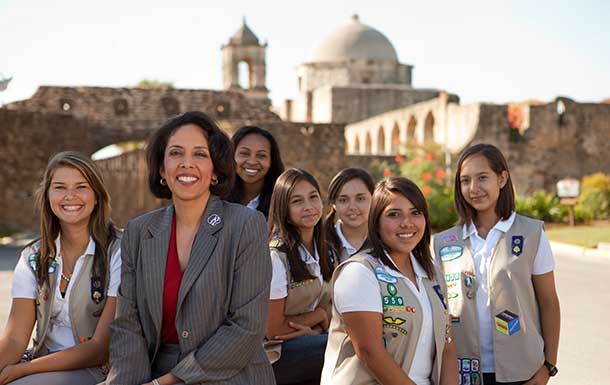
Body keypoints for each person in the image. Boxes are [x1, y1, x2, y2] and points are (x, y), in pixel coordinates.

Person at [104, 111, 274, 385]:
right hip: (154, 374)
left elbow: (247, 327)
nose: (186, 164)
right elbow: (128, 326)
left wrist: (169, 381)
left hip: (229, 374)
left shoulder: (246, 225)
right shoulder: (138, 231)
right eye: (175, 153)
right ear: (161, 168)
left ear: (216, 169)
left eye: (199, 154)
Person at [432, 143, 560, 385]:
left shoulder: (532, 233)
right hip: (461, 371)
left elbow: (549, 302)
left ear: (502, 178)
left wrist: (548, 367)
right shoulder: (442, 242)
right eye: (465, 180)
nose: (473, 188)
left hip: (522, 371)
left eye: (482, 178)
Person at [322, 176, 458, 385]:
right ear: (375, 222)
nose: (407, 223)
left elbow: (447, 344)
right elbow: (370, 353)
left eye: (415, 213)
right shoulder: (359, 272)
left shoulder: (433, 274)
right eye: (394, 214)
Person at [0, 151, 122, 385]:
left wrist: (23, 371)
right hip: (41, 363)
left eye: (81, 186)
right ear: (47, 196)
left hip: (99, 368)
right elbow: (15, 338)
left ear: (97, 196)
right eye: (60, 187)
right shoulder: (33, 257)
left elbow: (100, 348)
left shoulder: (118, 252)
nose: (70, 196)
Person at [266, 168, 335, 385]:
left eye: (313, 197)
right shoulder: (276, 257)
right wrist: (320, 317)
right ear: (284, 210)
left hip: (311, 339)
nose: (308, 207)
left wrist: (315, 328)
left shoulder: (325, 250)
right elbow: (273, 329)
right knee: (349, 349)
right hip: (273, 354)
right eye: (297, 201)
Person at [226, 125, 284, 218]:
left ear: (271, 161)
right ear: (231, 156)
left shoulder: (283, 202)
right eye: (244, 153)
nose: (252, 162)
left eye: (261, 155)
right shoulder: (215, 199)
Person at [324, 168, 374, 263]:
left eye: (360, 199)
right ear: (333, 204)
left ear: (373, 198)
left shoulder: (386, 241)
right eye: (343, 200)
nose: (352, 207)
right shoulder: (322, 245)